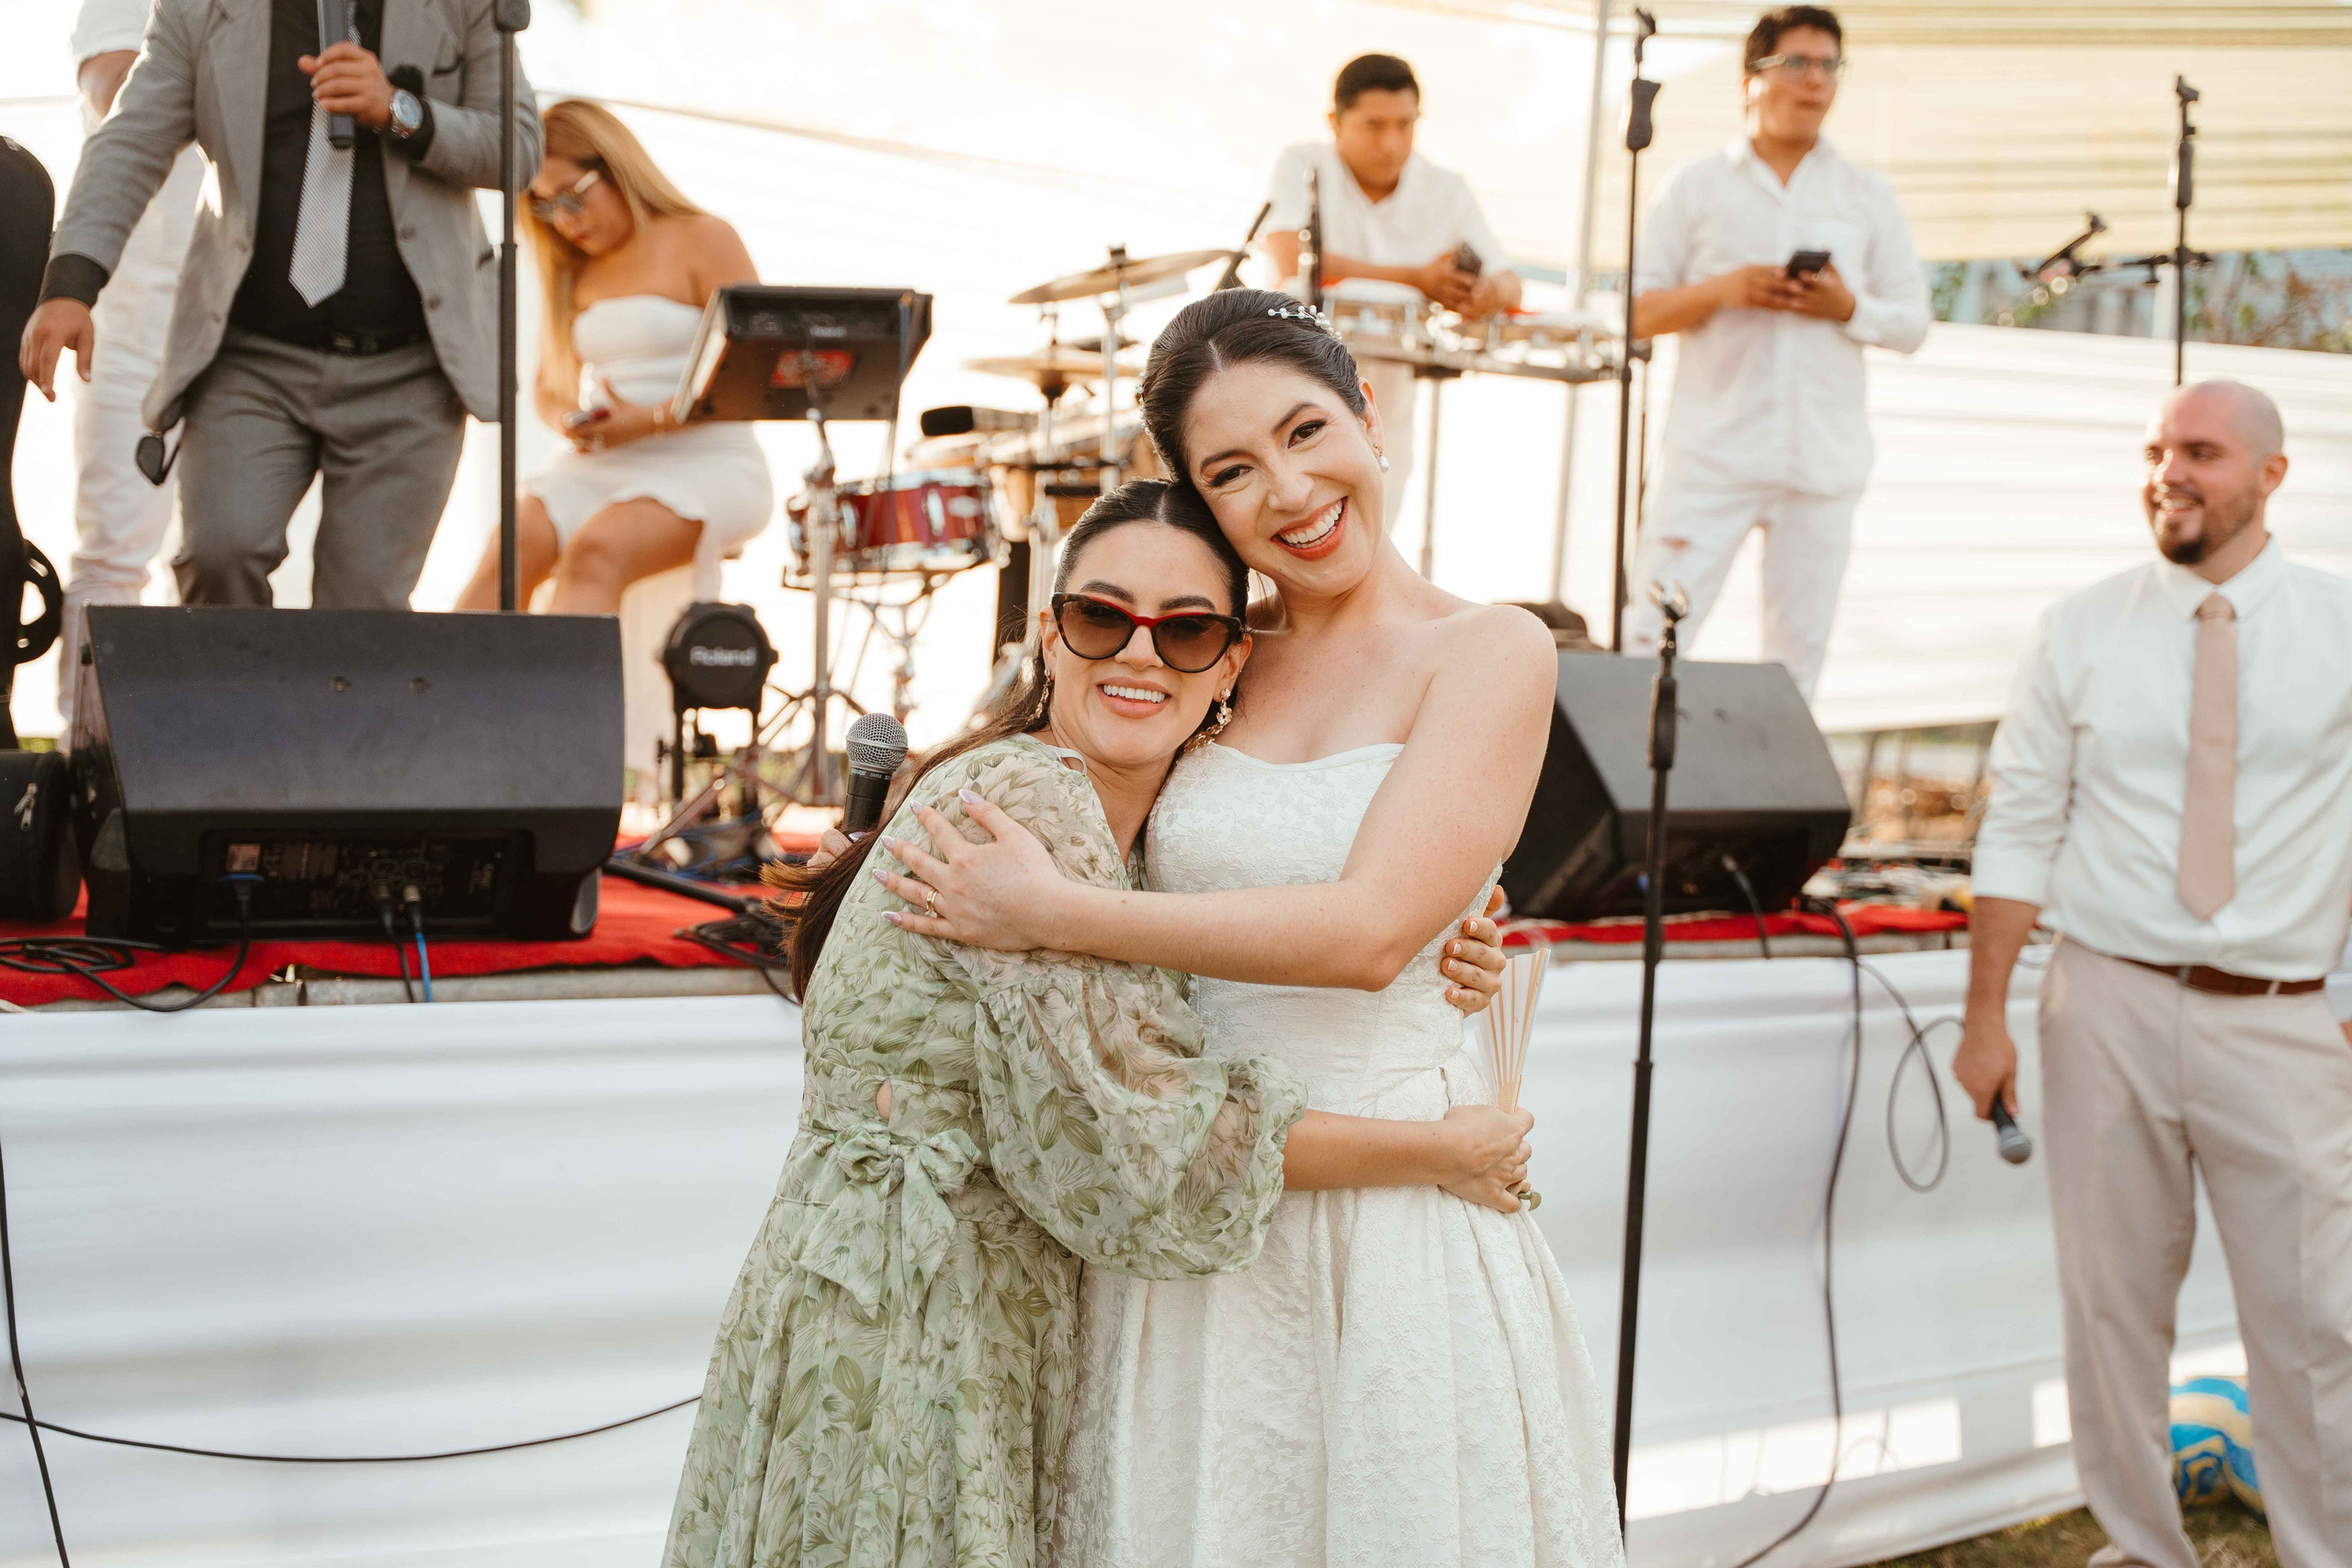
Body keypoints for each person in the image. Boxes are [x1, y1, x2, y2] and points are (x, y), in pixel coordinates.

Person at [873, 291, 1623, 1567]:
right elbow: (1033, 779)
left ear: (1369, 416)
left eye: (1307, 429)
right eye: (1232, 469)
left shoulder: (1488, 648)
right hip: (1193, 1180)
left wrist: (1064, 914)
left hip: (1394, 1194)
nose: (1288, 488)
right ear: (1198, 502)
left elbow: (1372, 931)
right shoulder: (1207, 649)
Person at [661, 479, 1528, 1567]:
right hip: (915, 1321)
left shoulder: (1108, 828)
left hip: (904, 1292)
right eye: (1101, 616)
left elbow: (1195, 960)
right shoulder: (1029, 810)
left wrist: (1443, 927)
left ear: (1228, 665)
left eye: (1188, 629)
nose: (1139, 655)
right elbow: (1142, 1139)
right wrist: (1438, 1153)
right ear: (1048, 636)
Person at [1953, 380, 2352, 1568]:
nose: (2169, 472)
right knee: (2111, 1305)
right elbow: (2020, 821)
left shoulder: (2343, 624)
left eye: (2202, 452)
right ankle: (2140, 1543)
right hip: (2105, 999)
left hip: (2283, 1014)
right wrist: (1986, 1021)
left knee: (2316, 1318)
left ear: (2271, 475)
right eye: (2157, 451)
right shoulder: (2078, 626)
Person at [19, 0, 540, 610]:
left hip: (410, 371)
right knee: (218, 554)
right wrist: (70, 284)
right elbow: (131, 142)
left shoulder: (465, 6)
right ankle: (228, 703)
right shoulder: (201, 8)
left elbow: (519, 147)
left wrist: (400, 112)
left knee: (362, 609)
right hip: (251, 359)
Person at [1622, 5, 1927, 699]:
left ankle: (1776, 809)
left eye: (1828, 66)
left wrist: (1847, 307)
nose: (1814, 81)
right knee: (1648, 639)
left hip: (1821, 462)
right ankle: (1633, 804)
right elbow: (1633, 313)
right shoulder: (1694, 186)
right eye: (1797, 63)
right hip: (1712, 456)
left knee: (1798, 664)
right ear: (1750, 80)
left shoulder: (1866, 194)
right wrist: (1725, 289)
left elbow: (1912, 324)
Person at [453, 100, 770, 614]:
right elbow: (549, 387)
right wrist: (574, 422)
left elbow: (756, 373)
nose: (563, 220)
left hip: (711, 460)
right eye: (545, 205)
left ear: (614, 166)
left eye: (572, 196)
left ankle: (563, 697)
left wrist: (649, 421)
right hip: (604, 458)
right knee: (510, 546)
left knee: (598, 550)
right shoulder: (572, 270)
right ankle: (441, 692)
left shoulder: (704, 237)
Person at [1260, 52, 1522, 530]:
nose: (1392, 143)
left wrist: (1482, 292)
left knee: (1372, 540)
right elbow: (1287, 256)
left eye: (1406, 125)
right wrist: (1417, 279)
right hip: (1287, 386)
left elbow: (1509, 282)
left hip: (1386, 407)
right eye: (1374, 126)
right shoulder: (1302, 163)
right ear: (1334, 123)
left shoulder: (1445, 188)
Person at [57, 0, 203, 734]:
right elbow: (116, 90)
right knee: (114, 556)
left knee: (231, 552)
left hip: (248, 325)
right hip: (129, 323)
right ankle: (87, 760)